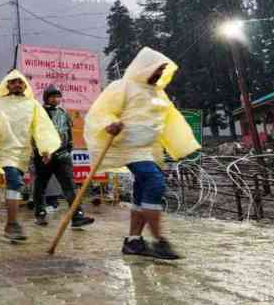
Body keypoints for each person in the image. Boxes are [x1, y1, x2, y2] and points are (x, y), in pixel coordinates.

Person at [85, 47, 200, 260]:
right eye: (157, 68)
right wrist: (110, 123)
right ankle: (159, 241)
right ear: (145, 67)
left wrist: (180, 145)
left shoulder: (159, 94)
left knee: (141, 190)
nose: (159, 73)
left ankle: (133, 241)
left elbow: (170, 121)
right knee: (154, 182)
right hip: (127, 146)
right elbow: (100, 111)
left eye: (163, 69)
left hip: (149, 149)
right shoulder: (122, 86)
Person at [0, 70, 60, 241]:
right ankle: (12, 223)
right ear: (7, 85)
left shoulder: (33, 105)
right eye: (13, 82)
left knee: (15, 185)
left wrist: (45, 149)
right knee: (14, 181)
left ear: (25, 85)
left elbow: (42, 128)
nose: (17, 85)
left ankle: (11, 225)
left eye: (20, 82)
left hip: (22, 151)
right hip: (3, 150)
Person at [32, 85, 94, 228]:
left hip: (63, 155)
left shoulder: (63, 112)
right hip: (44, 155)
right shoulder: (40, 113)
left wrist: (69, 147)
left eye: (57, 96)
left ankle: (77, 216)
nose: (55, 99)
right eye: (52, 96)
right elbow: (36, 133)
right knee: (41, 185)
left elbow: (68, 131)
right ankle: (40, 214)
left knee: (70, 186)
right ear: (46, 98)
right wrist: (42, 152)